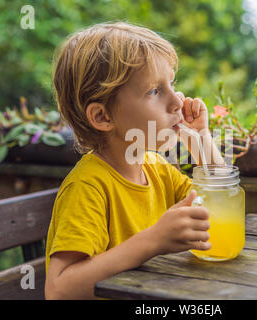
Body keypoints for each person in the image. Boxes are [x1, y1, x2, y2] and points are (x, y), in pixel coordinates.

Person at [44, 21, 225, 299]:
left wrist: (201, 139)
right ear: (103, 117)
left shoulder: (156, 169)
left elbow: (220, 203)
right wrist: (153, 240)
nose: (177, 101)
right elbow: (59, 290)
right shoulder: (88, 187)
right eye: (154, 90)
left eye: (172, 83)